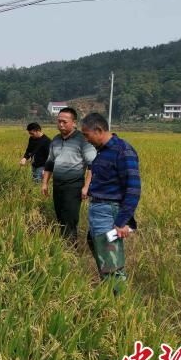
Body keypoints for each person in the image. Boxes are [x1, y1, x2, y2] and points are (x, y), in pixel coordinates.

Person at [80, 112, 141, 293]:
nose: (86, 140)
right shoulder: (103, 152)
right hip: (98, 212)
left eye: (86, 135)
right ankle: (108, 296)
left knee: (112, 264)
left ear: (98, 130)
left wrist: (122, 221)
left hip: (109, 214)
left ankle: (121, 308)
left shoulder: (123, 151)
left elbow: (133, 189)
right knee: (102, 255)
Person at [41, 107, 97, 245]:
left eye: (64, 122)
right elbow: (49, 164)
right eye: (59, 121)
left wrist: (86, 187)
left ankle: (70, 249)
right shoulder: (56, 140)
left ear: (74, 123)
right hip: (58, 185)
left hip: (74, 185)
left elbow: (92, 165)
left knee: (70, 218)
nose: (61, 124)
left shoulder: (83, 140)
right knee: (60, 216)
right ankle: (64, 246)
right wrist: (45, 183)